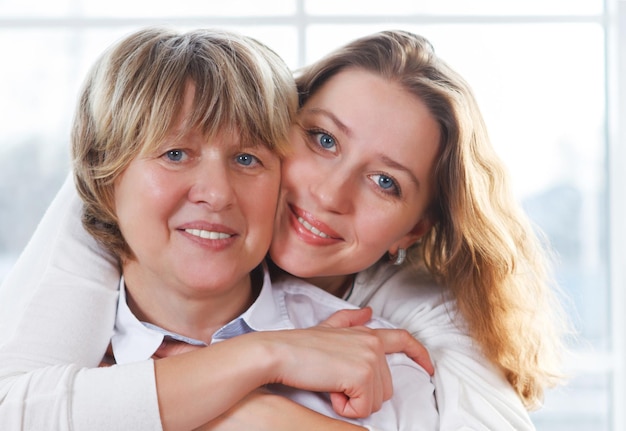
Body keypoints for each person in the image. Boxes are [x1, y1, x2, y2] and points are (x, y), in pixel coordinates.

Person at [0, 29, 569, 429]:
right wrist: (263, 359)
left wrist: (236, 409)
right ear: (277, 119)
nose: (328, 193)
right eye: (323, 139)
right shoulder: (103, 222)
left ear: (412, 232)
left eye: (385, 183)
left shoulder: (404, 342)